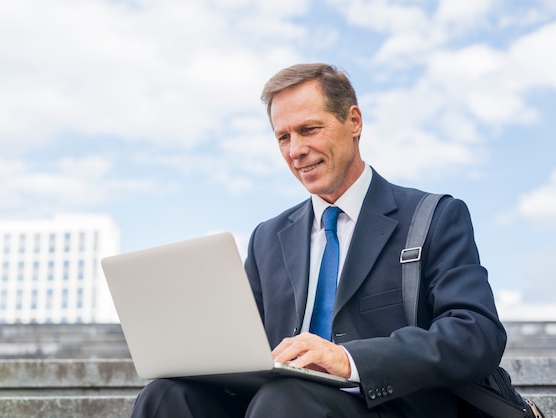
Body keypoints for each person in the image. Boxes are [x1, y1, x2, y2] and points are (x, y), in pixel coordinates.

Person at [131, 63, 507, 417]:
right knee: (165, 395)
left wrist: (349, 360)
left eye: (309, 129)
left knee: (287, 399)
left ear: (354, 122)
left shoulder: (434, 216)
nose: (295, 150)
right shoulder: (268, 238)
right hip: (280, 403)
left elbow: (476, 333)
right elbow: (248, 350)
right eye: (283, 137)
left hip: (388, 405)